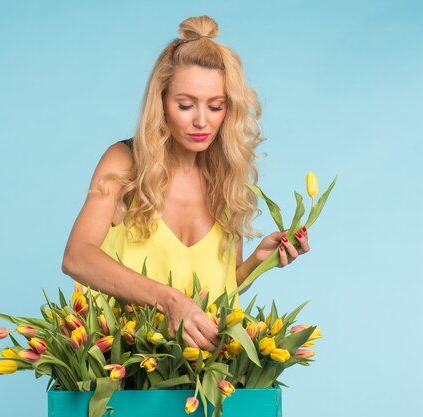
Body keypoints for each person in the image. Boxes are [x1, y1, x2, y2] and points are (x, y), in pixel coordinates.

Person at [62, 16, 310, 351]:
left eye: (215, 106)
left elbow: (218, 287)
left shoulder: (226, 179)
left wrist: (255, 262)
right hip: (122, 370)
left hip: (199, 374)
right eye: (185, 104)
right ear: (161, 102)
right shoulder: (125, 161)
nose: (201, 121)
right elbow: (77, 257)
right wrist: (168, 300)